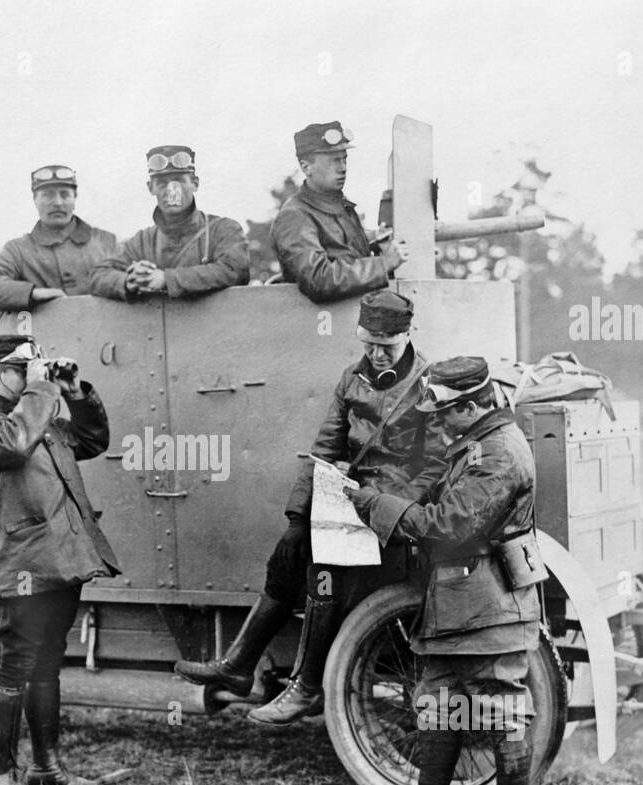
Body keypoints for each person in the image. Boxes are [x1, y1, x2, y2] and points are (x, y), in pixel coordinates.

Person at [175, 289, 445, 724]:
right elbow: (323, 452)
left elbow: (432, 465)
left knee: (323, 571)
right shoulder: (351, 379)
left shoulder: (429, 384)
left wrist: (375, 501)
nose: (376, 355)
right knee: (288, 556)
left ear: (408, 336)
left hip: (397, 513)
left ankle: (308, 686)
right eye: (368, 344)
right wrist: (297, 519)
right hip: (353, 506)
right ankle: (240, 665)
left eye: (386, 346)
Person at [345, 357, 542, 785]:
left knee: (500, 712)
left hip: (489, 606)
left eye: (445, 410)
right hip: (458, 605)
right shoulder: (476, 444)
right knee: (437, 707)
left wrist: (375, 505)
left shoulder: (499, 455)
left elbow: (447, 528)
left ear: (474, 405)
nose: (436, 418)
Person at [0, 333, 122, 785]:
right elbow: (12, 446)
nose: (32, 376)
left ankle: (45, 767)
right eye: (20, 369)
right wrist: (40, 390)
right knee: (15, 665)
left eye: (35, 367)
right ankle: (0, 774)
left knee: (48, 662)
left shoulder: (38, 415)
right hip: (25, 565)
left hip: (62, 560)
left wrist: (73, 392)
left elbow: (92, 439)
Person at [270, 121, 410, 303]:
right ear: (306, 167)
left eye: (344, 159)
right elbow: (318, 279)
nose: (343, 167)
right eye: (334, 160)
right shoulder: (295, 216)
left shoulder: (342, 209)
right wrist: (383, 264)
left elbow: (347, 258)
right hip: (323, 325)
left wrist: (376, 246)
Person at [89, 145, 249, 300]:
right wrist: (128, 280)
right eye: (162, 183)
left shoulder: (223, 230)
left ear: (195, 183)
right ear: (151, 188)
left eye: (179, 181)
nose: (172, 190)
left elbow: (234, 271)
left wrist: (166, 279)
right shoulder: (142, 241)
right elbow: (98, 275)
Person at [0, 164, 118, 312]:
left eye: (65, 195)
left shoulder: (107, 242)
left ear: (75, 198)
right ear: (35, 200)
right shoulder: (19, 250)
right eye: (47, 195)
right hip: (45, 336)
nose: (57, 203)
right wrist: (33, 293)